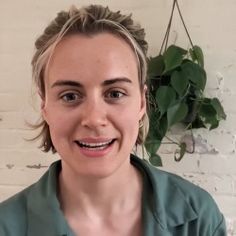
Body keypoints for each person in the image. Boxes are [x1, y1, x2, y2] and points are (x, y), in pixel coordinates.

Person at [0, 4, 227, 236]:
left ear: (141, 102)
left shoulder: (198, 218)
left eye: (115, 94)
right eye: (70, 96)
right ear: (45, 107)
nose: (94, 119)